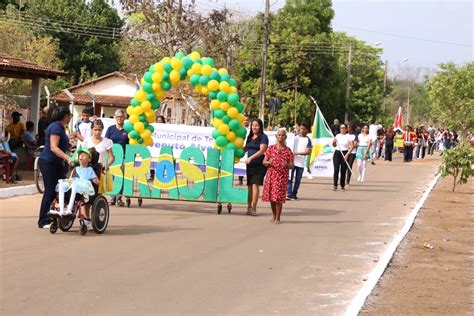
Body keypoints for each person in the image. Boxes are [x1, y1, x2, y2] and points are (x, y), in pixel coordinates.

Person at [38, 106, 73, 229]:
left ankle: (56, 215)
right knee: (50, 191)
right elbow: (53, 147)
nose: (70, 118)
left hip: (56, 163)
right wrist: (67, 158)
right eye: (70, 115)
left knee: (62, 189)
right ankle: (43, 220)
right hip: (48, 162)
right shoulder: (55, 127)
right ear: (65, 116)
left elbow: (61, 145)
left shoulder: (61, 128)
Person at [49, 148, 99, 217]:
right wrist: (68, 182)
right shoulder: (76, 168)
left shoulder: (90, 169)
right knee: (61, 184)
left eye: (84, 155)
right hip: (74, 184)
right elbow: (70, 179)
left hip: (83, 188)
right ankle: (61, 210)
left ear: (89, 159)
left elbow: (97, 182)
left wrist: (91, 179)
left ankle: (69, 210)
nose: (81, 156)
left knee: (74, 186)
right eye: (80, 155)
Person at [262, 128, 294, 224]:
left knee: (278, 198)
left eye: (283, 135)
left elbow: (292, 165)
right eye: (279, 135)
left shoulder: (288, 151)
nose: (281, 136)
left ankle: (278, 217)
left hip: (281, 177)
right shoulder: (271, 148)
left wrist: (287, 164)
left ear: (285, 137)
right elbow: (264, 162)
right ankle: (274, 215)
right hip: (271, 176)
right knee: (272, 197)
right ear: (276, 136)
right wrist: (268, 162)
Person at [244, 118, 268, 216]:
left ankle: (254, 208)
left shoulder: (263, 137)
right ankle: (248, 207)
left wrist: (251, 158)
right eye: (253, 125)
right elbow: (245, 148)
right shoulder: (249, 137)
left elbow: (262, 150)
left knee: (255, 185)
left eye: (257, 125)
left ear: (260, 127)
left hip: (259, 165)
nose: (254, 127)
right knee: (249, 186)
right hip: (250, 165)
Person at [105, 109, 129, 206]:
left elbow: (130, 143)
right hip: (112, 156)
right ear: (115, 118)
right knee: (111, 177)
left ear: (124, 118)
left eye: (121, 116)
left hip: (123, 157)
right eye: (117, 116)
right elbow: (106, 142)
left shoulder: (127, 130)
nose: (119, 118)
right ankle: (112, 198)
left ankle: (119, 198)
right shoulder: (110, 129)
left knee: (120, 177)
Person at [287, 122, 312, 200]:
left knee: (298, 179)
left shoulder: (308, 140)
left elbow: (307, 152)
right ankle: (289, 194)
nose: (302, 130)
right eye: (301, 129)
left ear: (307, 130)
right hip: (292, 161)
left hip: (300, 163)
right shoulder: (295, 138)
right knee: (290, 178)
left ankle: (294, 194)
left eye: (304, 129)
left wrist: (296, 153)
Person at [332, 124, 354, 191]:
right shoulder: (337, 136)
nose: (342, 129)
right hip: (337, 153)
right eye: (341, 128)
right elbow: (334, 145)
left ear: (346, 129)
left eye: (344, 128)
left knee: (343, 170)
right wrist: (334, 142)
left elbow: (352, 146)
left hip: (345, 153)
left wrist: (347, 154)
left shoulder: (348, 136)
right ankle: (335, 185)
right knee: (336, 169)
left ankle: (342, 186)